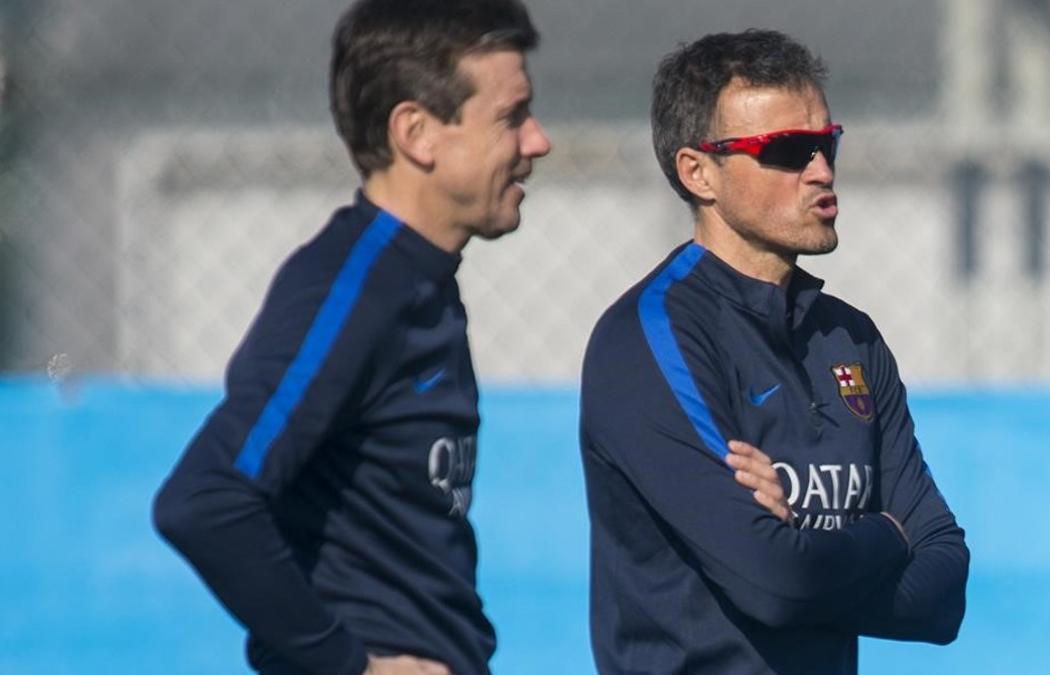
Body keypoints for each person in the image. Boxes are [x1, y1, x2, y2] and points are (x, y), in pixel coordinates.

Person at [152, 1, 550, 673]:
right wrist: (351, 665)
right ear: (417, 133)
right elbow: (203, 499)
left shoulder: (420, 280)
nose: (537, 141)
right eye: (511, 117)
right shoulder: (351, 288)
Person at [579, 29, 968, 674]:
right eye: (786, 150)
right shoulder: (651, 337)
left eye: (825, 142)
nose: (821, 170)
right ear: (698, 172)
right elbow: (773, 582)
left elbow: (943, 594)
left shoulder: (852, 338)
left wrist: (803, 548)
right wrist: (884, 536)